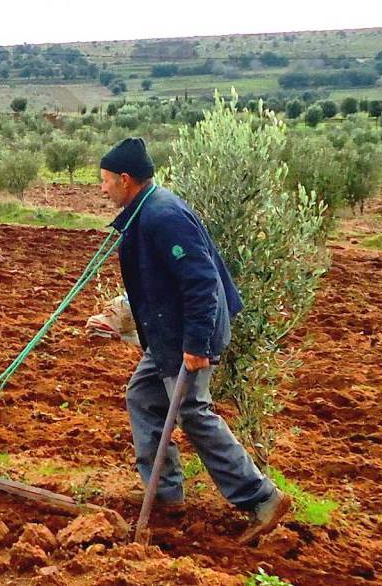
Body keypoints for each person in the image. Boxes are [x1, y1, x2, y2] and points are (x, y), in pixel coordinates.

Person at [98, 136, 291, 544]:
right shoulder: (144, 211)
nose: (102, 190)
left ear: (125, 179)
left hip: (188, 335)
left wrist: (198, 344)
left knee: (193, 412)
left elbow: (201, 281)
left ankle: (261, 497)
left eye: (105, 181)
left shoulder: (162, 215)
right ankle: (165, 495)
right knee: (144, 396)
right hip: (167, 336)